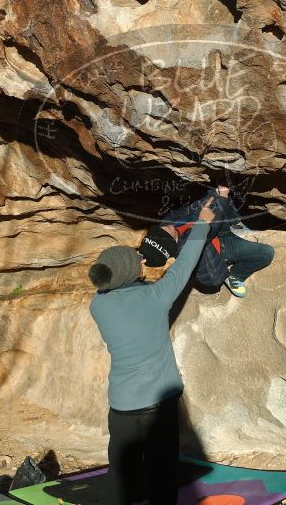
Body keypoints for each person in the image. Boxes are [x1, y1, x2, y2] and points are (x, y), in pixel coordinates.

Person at [88, 199, 216, 505]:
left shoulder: (98, 305)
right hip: (157, 409)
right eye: (137, 262)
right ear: (127, 272)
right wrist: (203, 222)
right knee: (161, 479)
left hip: (120, 407)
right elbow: (184, 265)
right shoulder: (155, 297)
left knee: (120, 478)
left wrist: (130, 265)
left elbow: (115, 278)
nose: (143, 262)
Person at [138, 185, 274, 298]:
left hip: (215, 232)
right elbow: (212, 226)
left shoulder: (167, 224)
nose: (164, 226)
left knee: (221, 197)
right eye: (165, 231)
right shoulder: (187, 246)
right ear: (172, 243)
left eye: (158, 229)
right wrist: (221, 197)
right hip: (221, 249)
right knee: (266, 253)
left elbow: (191, 209)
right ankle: (235, 275)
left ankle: (234, 223)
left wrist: (214, 193)